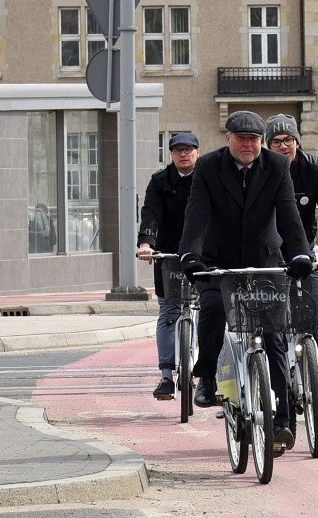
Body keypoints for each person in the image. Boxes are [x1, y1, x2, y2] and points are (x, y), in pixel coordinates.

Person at [178, 110, 313, 449]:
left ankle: (282, 419)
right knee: (211, 307)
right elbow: (196, 214)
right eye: (242, 138)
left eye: (254, 139)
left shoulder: (278, 167)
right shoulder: (208, 167)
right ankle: (206, 376)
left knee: (275, 337)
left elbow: (288, 215)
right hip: (218, 260)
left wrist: (300, 254)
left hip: (265, 258)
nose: (249, 145)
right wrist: (189, 256)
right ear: (229, 139)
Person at [265, 113, 318, 430]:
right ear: (268, 145)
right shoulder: (260, 170)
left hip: (305, 257)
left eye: (289, 140)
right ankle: (259, 394)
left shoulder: (313, 167)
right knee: (265, 330)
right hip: (269, 256)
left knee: (311, 327)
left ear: (297, 142)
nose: (284, 145)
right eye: (276, 141)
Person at [136, 133, 200, 400]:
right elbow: (150, 211)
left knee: (210, 308)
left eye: (188, 149)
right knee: (168, 310)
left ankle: (205, 373)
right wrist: (147, 244)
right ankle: (165, 376)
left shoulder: (207, 178)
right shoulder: (160, 181)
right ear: (171, 154)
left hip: (202, 252)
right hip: (169, 254)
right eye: (177, 150)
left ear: (197, 152)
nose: (183, 154)